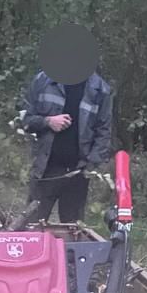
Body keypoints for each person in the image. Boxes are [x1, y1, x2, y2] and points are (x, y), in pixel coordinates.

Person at [21, 25, 113, 224]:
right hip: (46, 169)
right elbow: (26, 120)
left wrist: (91, 164)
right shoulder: (42, 81)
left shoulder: (101, 91)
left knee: (72, 232)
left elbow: (104, 132)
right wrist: (47, 121)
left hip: (77, 174)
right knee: (32, 227)